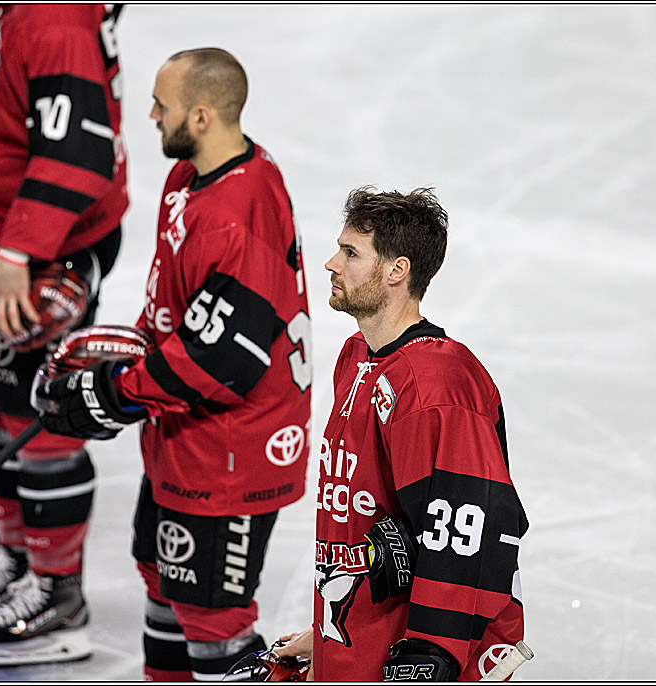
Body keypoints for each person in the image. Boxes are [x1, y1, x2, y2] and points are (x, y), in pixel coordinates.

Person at [34, 47, 312, 680]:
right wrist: (117, 365)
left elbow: (221, 361)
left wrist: (113, 393)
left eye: (164, 104)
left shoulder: (240, 215)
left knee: (216, 629)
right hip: (184, 435)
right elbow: (173, 312)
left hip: (233, 452)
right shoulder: (188, 178)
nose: (151, 114)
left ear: (204, 115)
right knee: (164, 592)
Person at [0, 3, 128, 667]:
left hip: (50, 245)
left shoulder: (48, 20)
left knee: (42, 421)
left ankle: (58, 596)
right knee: (4, 403)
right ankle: (21, 562)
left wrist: (19, 255)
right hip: (11, 238)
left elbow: (78, 154)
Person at [279, 187, 529, 681]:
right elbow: (376, 529)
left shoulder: (436, 384)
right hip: (355, 642)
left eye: (351, 252)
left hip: (418, 657)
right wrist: (325, 635)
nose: (331, 262)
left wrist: (433, 654)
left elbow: (467, 528)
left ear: (397, 270)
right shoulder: (356, 357)